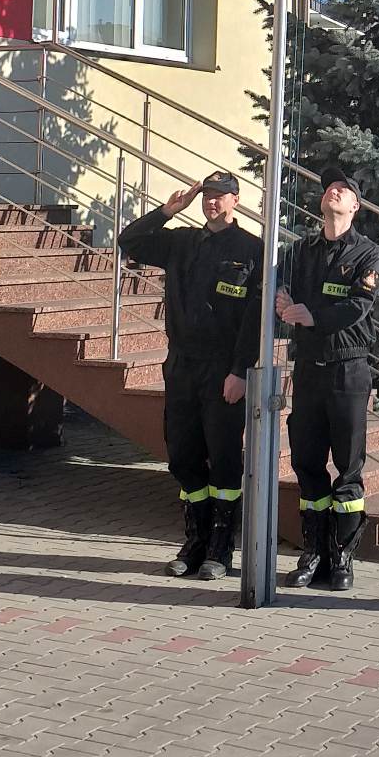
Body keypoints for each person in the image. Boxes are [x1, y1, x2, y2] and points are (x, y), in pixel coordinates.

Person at [118, 171, 262, 581]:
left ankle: (221, 547)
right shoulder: (181, 241)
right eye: (207, 195)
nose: (211, 202)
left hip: (222, 368)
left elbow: (254, 319)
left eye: (220, 196)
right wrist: (167, 211)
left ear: (235, 200)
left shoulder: (251, 249)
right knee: (182, 454)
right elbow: (130, 241)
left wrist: (240, 371)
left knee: (224, 457)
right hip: (182, 364)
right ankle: (195, 541)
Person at [275, 166, 379, 592]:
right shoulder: (301, 251)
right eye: (329, 189)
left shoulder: (367, 254)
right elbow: (279, 284)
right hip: (308, 368)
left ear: (355, 205)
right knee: (306, 461)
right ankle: (314, 552)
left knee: (348, 466)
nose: (333, 192)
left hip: (347, 369)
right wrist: (282, 298)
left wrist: (313, 316)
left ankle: (342, 557)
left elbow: (359, 305)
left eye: (343, 189)